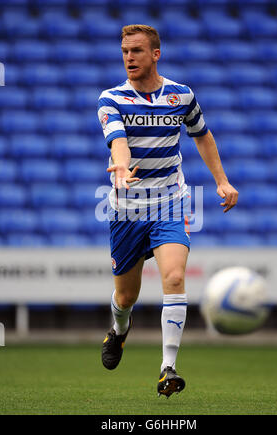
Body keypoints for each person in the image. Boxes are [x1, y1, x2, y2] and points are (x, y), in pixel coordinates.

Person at [97, 24, 238, 398]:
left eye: (137, 51)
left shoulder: (181, 95)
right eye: (125, 51)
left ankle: (167, 368)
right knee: (125, 298)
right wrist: (123, 166)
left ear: (155, 54)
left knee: (174, 278)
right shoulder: (111, 98)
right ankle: (120, 330)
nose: (129, 57)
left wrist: (222, 181)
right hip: (126, 208)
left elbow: (202, 135)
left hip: (170, 201)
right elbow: (118, 142)